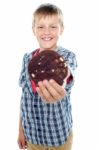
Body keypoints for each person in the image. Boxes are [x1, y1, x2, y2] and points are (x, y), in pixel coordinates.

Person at [17, 3, 77, 150]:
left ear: (61, 29)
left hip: (59, 134)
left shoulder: (67, 57)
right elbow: (24, 96)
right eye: (41, 26)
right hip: (33, 135)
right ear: (34, 30)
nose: (47, 31)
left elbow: (67, 77)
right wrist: (21, 129)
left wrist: (63, 79)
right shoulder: (27, 58)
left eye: (53, 26)